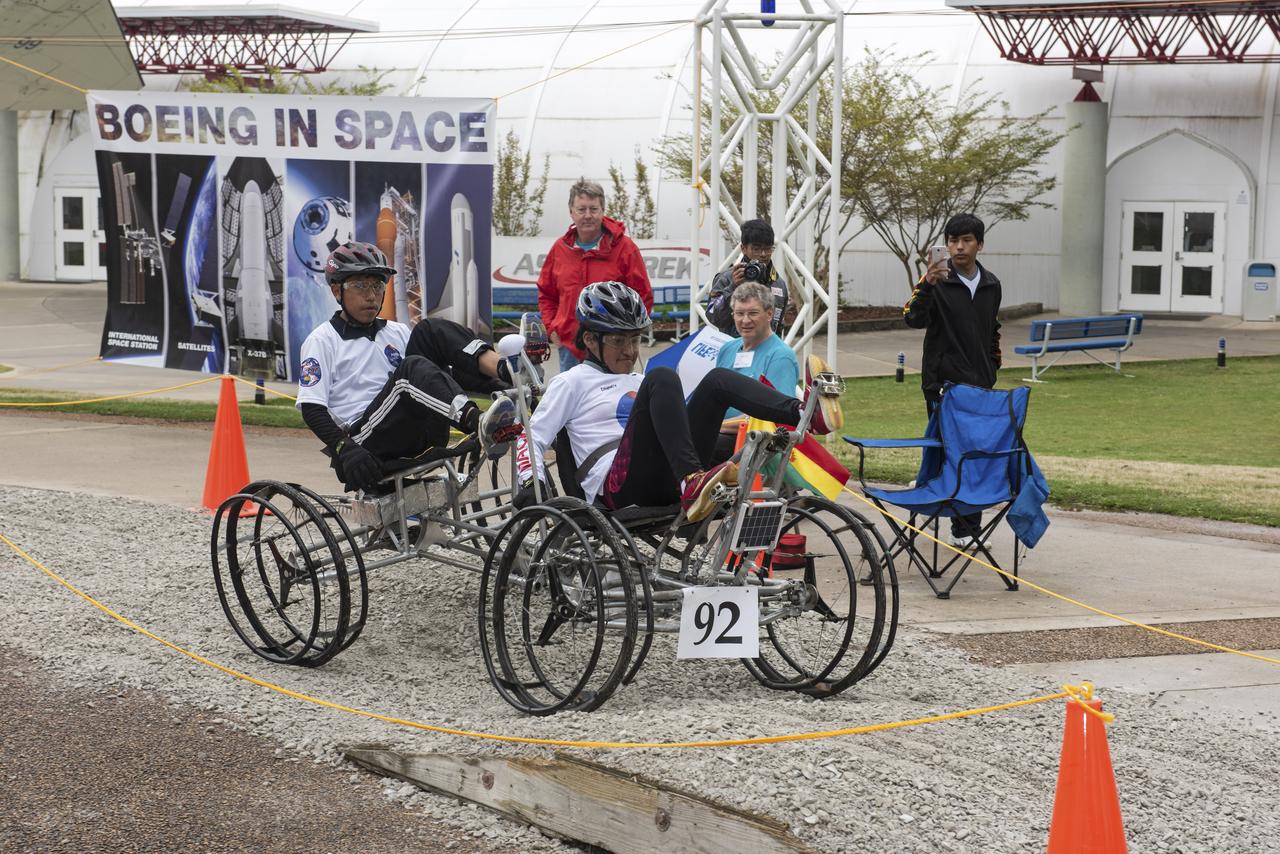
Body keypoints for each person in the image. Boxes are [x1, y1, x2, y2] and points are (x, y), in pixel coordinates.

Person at [521, 281, 842, 523]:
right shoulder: (572, 381)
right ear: (591, 339)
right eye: (619, 341)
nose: (630, 351)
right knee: (662, 376)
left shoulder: (638, 381)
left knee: (717, 380)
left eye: (635, 340)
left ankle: (803, 413)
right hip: (619, 487)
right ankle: (692, 481)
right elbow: (531, 438)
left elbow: (677, 429)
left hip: (666, 475)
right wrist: (530, 483)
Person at [296, 242, 521, 493]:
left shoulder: (397, 331)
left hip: (417, 428)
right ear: (337, 291)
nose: (371, 295)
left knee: (429, 330)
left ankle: (507, 372)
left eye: (377, 285)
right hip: (366, 442)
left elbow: (437, 378)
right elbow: (312, 408)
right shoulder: (322, 340)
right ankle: (477, 421)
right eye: (360, 285)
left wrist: (499, 388)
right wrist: (343, 448)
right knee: (409, 370)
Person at [902, 213, 1002, 545]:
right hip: (942, 386)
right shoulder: (936, 280)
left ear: (979, 244)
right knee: (946, 453)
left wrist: (991, 368)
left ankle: (966, 529)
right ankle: (930, 507)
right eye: (953, 241)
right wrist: (928, 286)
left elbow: (992, 329)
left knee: (974, 455)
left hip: (980, 387)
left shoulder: (991, 284)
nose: (959, 247)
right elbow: (912, 317)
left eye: (966, 240)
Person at [537, 180, 653, 374]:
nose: (588, 215)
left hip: (612, 349)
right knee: (572, 393)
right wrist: (552, 328)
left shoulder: (625, 248)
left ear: (603, 210)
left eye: (594, 209)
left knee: (617, 393)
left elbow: (642, 296)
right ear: (571, 212)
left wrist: (627, 338)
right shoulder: (559, 249)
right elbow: (546, 294)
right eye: (581, 209)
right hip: (570, 348)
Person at [710, 281, 800, 464]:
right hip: (719, 434)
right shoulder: (728, 349)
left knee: (695, 448)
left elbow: (776, 419)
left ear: (769, 314)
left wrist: (716, 426)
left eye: (753, 313)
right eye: (739, 313)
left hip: (753, 444)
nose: (745, 320)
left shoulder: (780, 356)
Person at [706, 218, 789, 338]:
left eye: (768, 249)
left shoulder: (778, 283)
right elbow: (713, 317)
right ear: (743, 248)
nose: (763, 254)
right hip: (735, 347)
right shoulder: (727, 278)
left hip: (767, 348)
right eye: (756, 249)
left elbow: (778, 326)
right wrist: (733, 288)